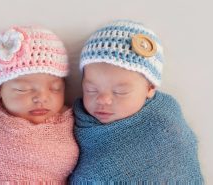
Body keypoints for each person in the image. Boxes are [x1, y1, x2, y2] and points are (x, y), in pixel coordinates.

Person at [69, 20, 204, 184]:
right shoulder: (72, 122)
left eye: (120, 92)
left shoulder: (164, 124)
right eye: (91, 90)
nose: (103, 99)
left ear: (150, 88)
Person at [0, 25, 79, 184]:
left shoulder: (71, 122)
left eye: (55, 88)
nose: (41, 98)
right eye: (22, 89)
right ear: (0, 89)